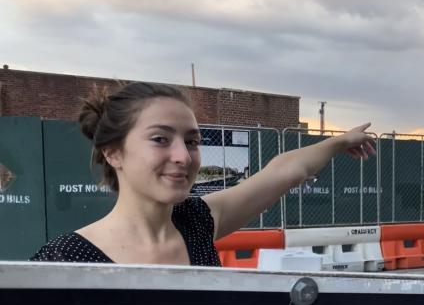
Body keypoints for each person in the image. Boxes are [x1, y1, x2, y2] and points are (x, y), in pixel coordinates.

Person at [30, 82, 376, 266]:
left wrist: (339, 142)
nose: (182, 156)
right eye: (160, 139)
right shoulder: (64, 260)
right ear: (113, 152)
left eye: (192, 141)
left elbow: (282, 171)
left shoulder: (196, 223)